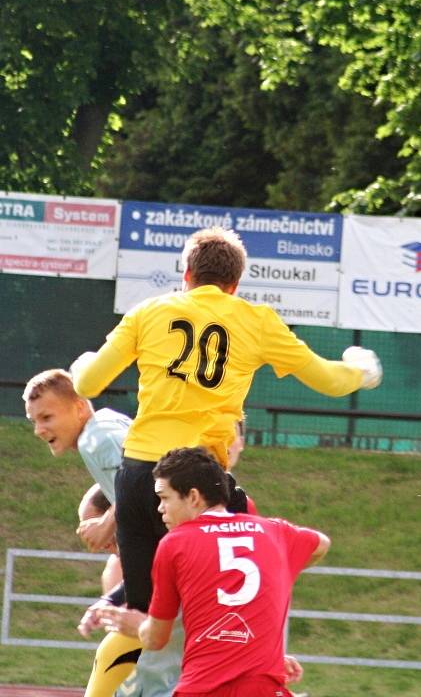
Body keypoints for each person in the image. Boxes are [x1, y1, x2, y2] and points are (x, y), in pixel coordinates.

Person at [70, 226, 382, 614]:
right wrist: (361, 370)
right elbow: (329, 380)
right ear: (234, 284)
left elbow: (87, 382)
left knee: (140, 616)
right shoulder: (256, 320)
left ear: (186, 276)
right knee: (224, 607)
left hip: (137, 475)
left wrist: (84, 363)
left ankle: (110, 672)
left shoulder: (149, 312)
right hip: (199, 482)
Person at [97, 446, 329, 697]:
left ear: (194, 497)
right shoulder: (275, 532)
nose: (160, 508)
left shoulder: (175, 543)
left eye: (164, 498)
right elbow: (321, 544)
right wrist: (278, 570)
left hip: (202, 689)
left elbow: (157, 639)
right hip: (262, 689)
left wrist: (137, 626)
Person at [22, 369, 142, 697]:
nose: (38, 429)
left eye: (46, 416)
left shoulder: (95, 436)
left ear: (78, 408)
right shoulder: (103, 427)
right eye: (34, 420)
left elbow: (143, 474)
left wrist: (107, 523)